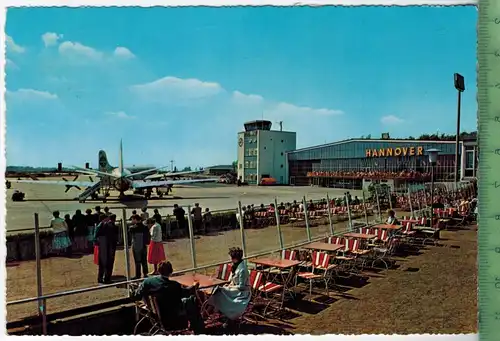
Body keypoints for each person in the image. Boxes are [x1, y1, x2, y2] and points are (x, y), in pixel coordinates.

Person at [131, 261, 204, 334]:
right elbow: (187, 292)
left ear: (159, 271)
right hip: (173, 316)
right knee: (191, 300)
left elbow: (137, 295)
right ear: (171, 271)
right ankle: (198, 330)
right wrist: (194, 286)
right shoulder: (174, 286)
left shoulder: (148, 282)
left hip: (155, 314)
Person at [207, 247, 251, 322]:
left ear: (235, 258)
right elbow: (233, 280)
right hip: (235, 289)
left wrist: (230, 287)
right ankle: (214, 310)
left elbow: (242, 286)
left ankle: (214, 311)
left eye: (231, 257)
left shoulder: (242, 269)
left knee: (219, 291)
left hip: (242, 292)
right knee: (218, 290)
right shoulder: (236, 265)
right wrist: (229, 285)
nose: (230, 258)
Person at [94, 214, 119, 284]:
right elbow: (114, 237)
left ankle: (100, 278)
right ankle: (107, 279)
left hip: (102, 247)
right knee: (109, 263)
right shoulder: (110, 226)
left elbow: (96, 237)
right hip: (109, 247)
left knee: (102, 263)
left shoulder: (99, 226)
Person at [130, 215, 151, 279]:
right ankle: (145, 273)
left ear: (135, 219)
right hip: (143, 245)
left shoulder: (132, 228)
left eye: (132, 219)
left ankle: (138, 275)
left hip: (136, 245)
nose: (132, 221)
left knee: (137, 261)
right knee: (144, 260)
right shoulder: (145, 227)